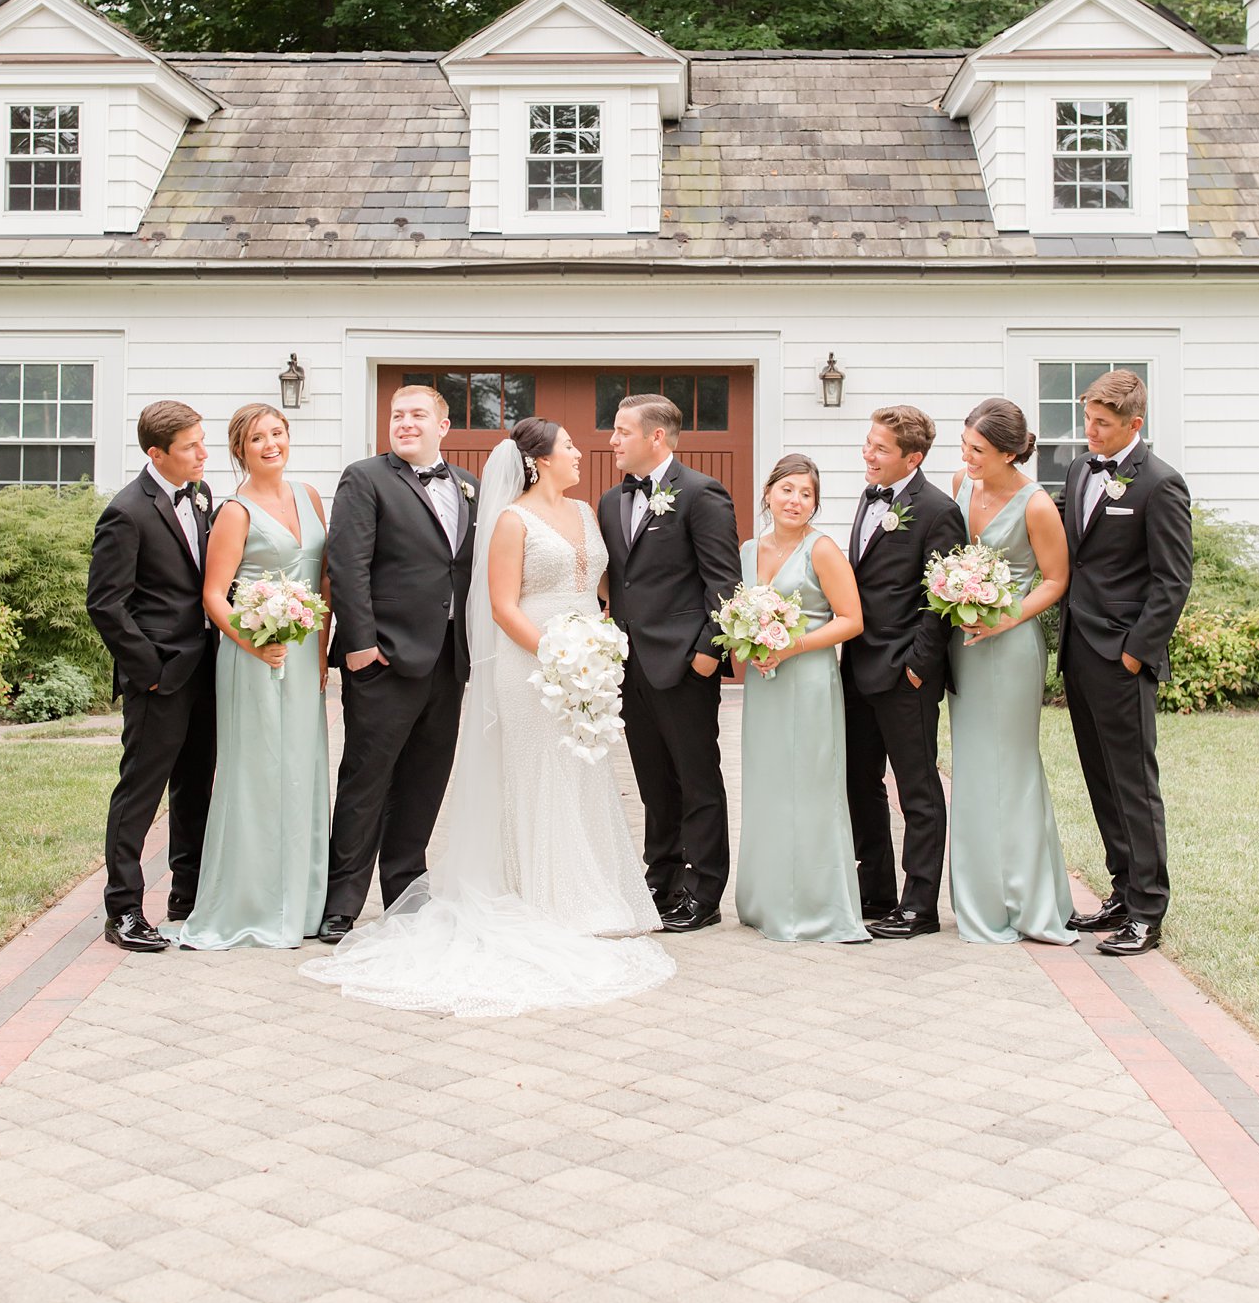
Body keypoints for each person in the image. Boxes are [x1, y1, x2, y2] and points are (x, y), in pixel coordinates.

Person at [302, 422, 675, 1016]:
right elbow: (502, 606)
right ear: (537, 460)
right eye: (570, 446)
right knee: (535, 773)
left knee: (583, 771)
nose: (581, 452)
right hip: (534, 664)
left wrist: (597, 652)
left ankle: (589, 893)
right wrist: (559, 658)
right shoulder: (510, 520)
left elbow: (599, 587)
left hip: (587, 663)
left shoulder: (585, 512)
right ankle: (534, 892)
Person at [316, 386, 478, 944]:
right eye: (397, 416)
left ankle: (406, 890)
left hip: (448, 659)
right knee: (366, 779)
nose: (405, 424)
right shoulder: (365, 478)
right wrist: (359, 643)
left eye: (417, 416)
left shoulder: (469, 486)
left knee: (425, 780)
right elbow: (348, 562)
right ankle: (341, 901)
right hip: (383, 656)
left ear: (443, 425)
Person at [166, 405, 331, 949]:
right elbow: (214, 594)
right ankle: (251, 902)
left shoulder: (308, 496)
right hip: (254, 652)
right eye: (257, 438)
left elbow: (323, 579)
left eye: (277, 433)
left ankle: (303, 903)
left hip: (304, 655)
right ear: (240, 449)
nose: (270, 445)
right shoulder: (235, 511)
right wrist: (256, 643)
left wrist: (323, 652)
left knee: (302, 768)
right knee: (258, 772)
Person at [1058, 370, 1193, 957]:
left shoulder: (1160, 484)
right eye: (1087, 418)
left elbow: (1172, 580)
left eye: (1102, 423)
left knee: (1134, 783)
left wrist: (1136, 652)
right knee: (1100, 777)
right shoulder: (1082, 468)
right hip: (1077, 649)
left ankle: (1148, 909)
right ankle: (1120, 889)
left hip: (1121, 656)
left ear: (1134, 425)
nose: (1089, 431)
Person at [597, 395, 741, 932]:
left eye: (621, 431)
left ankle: (703, 891)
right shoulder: (611, 502)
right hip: (629, 666)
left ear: (656, 437)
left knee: (697, 780)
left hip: (684, 664)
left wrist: (707, 654)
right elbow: (618, 581)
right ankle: (660, 879)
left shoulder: (703, 495)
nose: (611, 441)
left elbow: (724, 585)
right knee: (653, 780)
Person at [86, 400, 217, 952]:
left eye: (201, 441)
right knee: (141, 791)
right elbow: (105, 604)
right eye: (190, 447)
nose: (203, 453)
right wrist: (153, 672)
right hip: (160, 676)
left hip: (207, 671)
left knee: (196, 788)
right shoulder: (126, 512)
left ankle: (186, 897)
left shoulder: (204, 497)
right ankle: (122, 912)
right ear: (156, 453)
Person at [946, 401, 1076, 946]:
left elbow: (1055, 580)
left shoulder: (1037, 505)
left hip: (1012, 643)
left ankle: (1026, 897)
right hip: (964, 644)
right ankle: (979, 894)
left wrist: (1005, 616)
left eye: (978, 450)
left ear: (1008, 451)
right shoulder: (959, 484)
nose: (967, 457)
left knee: (1014, 766)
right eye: (965, 445)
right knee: (972, 766)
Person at [734, 455, 866, 944]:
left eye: (806, 493)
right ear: (768, 492)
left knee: (809, 788)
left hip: (808, 678)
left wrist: (793, 645)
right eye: (787, 489)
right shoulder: (748, 550)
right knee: (768, 785)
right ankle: (765, 899)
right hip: (763, 685)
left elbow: (851, 619)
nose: (796, 501)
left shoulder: (822, 549)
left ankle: (814, 904)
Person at [843, 404, 964, 939]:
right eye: (868, 443)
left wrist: (918, 665)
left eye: (880, 449)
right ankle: (877, 893)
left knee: (916, 789)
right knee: (859, 782)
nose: (868, 454)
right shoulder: (868, 499)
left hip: (903, 675)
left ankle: (920, 905)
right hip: (855, 670)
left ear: (912, 458)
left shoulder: (938, 511)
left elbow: (944, 597)